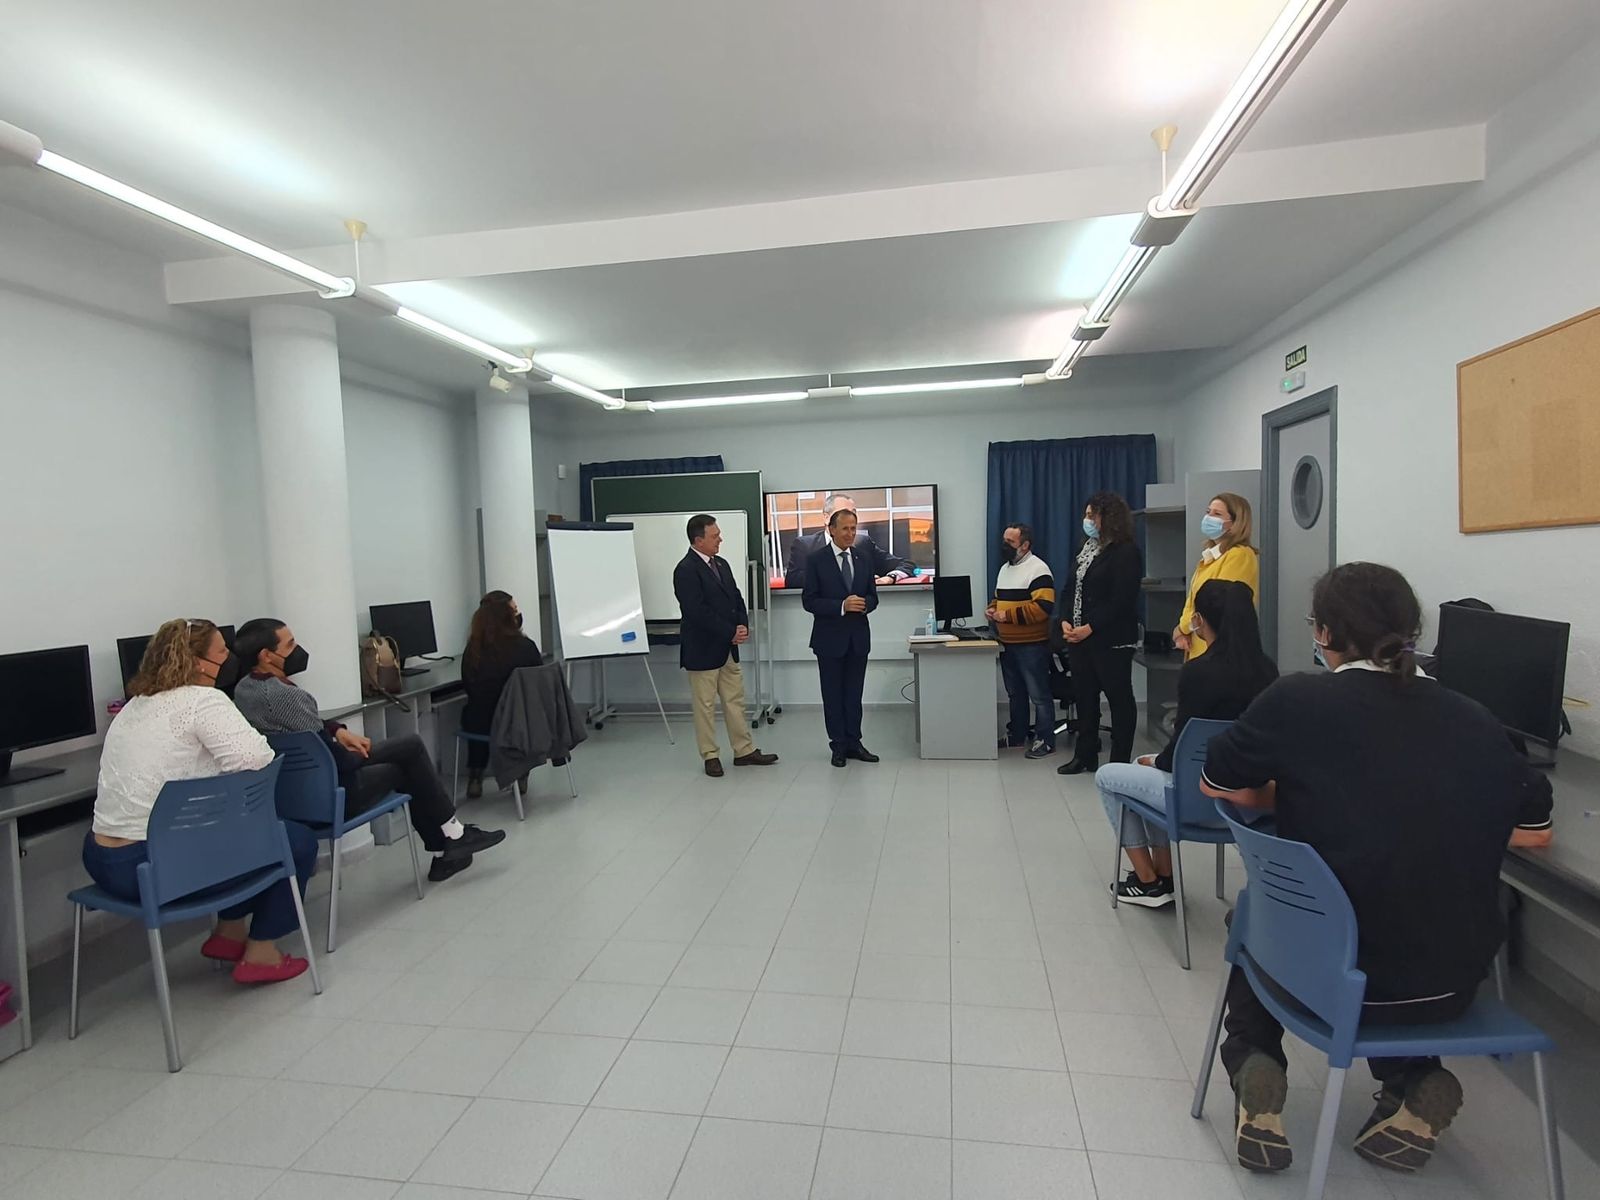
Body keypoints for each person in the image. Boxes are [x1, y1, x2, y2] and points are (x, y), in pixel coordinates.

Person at [1199, 563, 1555, 1176]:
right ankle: (1413, 1080)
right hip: (1447, 984)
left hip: (1321, 980)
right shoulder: (1476, 717)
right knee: (1390, 930)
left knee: (1255, 913)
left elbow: (1218, 783)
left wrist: (1304, 789)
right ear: (1412, 631)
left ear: (1328, 633)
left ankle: (1256, 1063)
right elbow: (1534, 832)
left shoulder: (1297, 699)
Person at [86, 619, 316, 984]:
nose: (230, 658)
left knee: (229, 838)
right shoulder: (204, 699)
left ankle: (229, 934)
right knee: (293, 839)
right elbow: (256, 759)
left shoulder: (133, 705)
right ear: (197, 663)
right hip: (159, 869)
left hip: (102, 862)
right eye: (223, 652)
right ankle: (262, 952)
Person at [232, 618, 505, 883]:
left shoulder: (244, 691)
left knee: (408, 763)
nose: (298, 649)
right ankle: (452, 838)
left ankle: (448, 847)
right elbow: (339, 761)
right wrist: (356, 752)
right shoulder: (285, 696)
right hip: (334, 796)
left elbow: (301, 725)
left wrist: (338, 730)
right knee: (410, 750)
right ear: (266, 655)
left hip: (292, 798)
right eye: (290, 645)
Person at [1094, 579, 1277, 906]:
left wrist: (1158, 761)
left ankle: (1150, 881)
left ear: (1202, 621)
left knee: (1109, 777)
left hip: (1196, 798)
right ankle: (1162, 877)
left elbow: (1182, 748)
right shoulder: (1268, 671)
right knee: (1142, 764)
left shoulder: (1199, 672)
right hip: (1249, 803)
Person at [673, 514, 780, 778]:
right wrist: (729, 631)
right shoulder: (685, 570)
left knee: (735, 701)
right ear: (698, 540)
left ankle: (743, 750)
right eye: (714, 535)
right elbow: (696, 611)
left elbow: (736, 596)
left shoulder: (721, 563)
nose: (720, 538)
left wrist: (742, 625)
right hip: (703, 650)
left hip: (728, 648)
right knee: (705, 706)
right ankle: (710, 755)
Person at [1057, 491, 1143, 775]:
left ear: (1110, 518)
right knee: (1085, 697)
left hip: (1111, 639)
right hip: (1079, 638)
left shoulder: (1125, 551)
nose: (1087, 520)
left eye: (1093, 515)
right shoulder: (1086, 547)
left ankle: (1118, 762)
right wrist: (1065, 621)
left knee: (1119, 699)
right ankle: (1085, 756)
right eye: (1086, 515)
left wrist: (1090, 628)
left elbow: (1122, 599)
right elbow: (1070, 589)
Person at [802, 507, 880, 767]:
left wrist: (865, 603)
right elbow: (809, 601)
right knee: (833, 696)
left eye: (853, 528)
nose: (850, 533)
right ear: (831, 530)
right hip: (829, 640)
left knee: (854, 695)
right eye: (845, 528)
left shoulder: (864, 558)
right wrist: (841, 606)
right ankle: (838, 746)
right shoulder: (816, 560)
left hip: (858, 638)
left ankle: (854, 742)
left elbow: (873, 597)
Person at [460, 590, 544, 798]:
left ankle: (475, 775)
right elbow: (537, 688)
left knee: (475, 712)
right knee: (520, 714)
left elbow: (469, 688)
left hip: (483, 724)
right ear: (506, 616)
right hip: (519, 725)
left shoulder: (474, 649)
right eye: (514, 610)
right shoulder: (527, 648)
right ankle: (521, 772)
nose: (518, 613)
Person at [986, 522, 1056, 758]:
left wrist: (1007, 615)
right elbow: (999, 598)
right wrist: (992, 609)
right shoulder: (1005, 568)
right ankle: (1017, 735)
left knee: (1039, 695)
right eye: (1004, 540)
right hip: (1007, 642)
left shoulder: (1038, 570)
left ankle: (1045, 740)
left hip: (1032, 644)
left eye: (1010, 542)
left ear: (1025, 545)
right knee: (1015, 693)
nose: (1004, 546)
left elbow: (1043, 608)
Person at [1174, 492, 1260, 659]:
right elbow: (1192, 602)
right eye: (1208, 512)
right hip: (1201, 650)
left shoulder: (1240, 555)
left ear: (1235, 523)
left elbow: (1217, 604)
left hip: (1222, 653)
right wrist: (1184, 628)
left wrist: (1182, 628)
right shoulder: (1210, 558)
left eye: (1217, 514)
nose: (1209, 517)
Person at [783, 491, 914, 591]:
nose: (850, 518)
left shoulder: (863, 543)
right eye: (843, 513)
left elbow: (906, 565)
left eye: (853, 513)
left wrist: (890, 578)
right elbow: (793, 581)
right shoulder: (805, 545)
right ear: (827, 518)